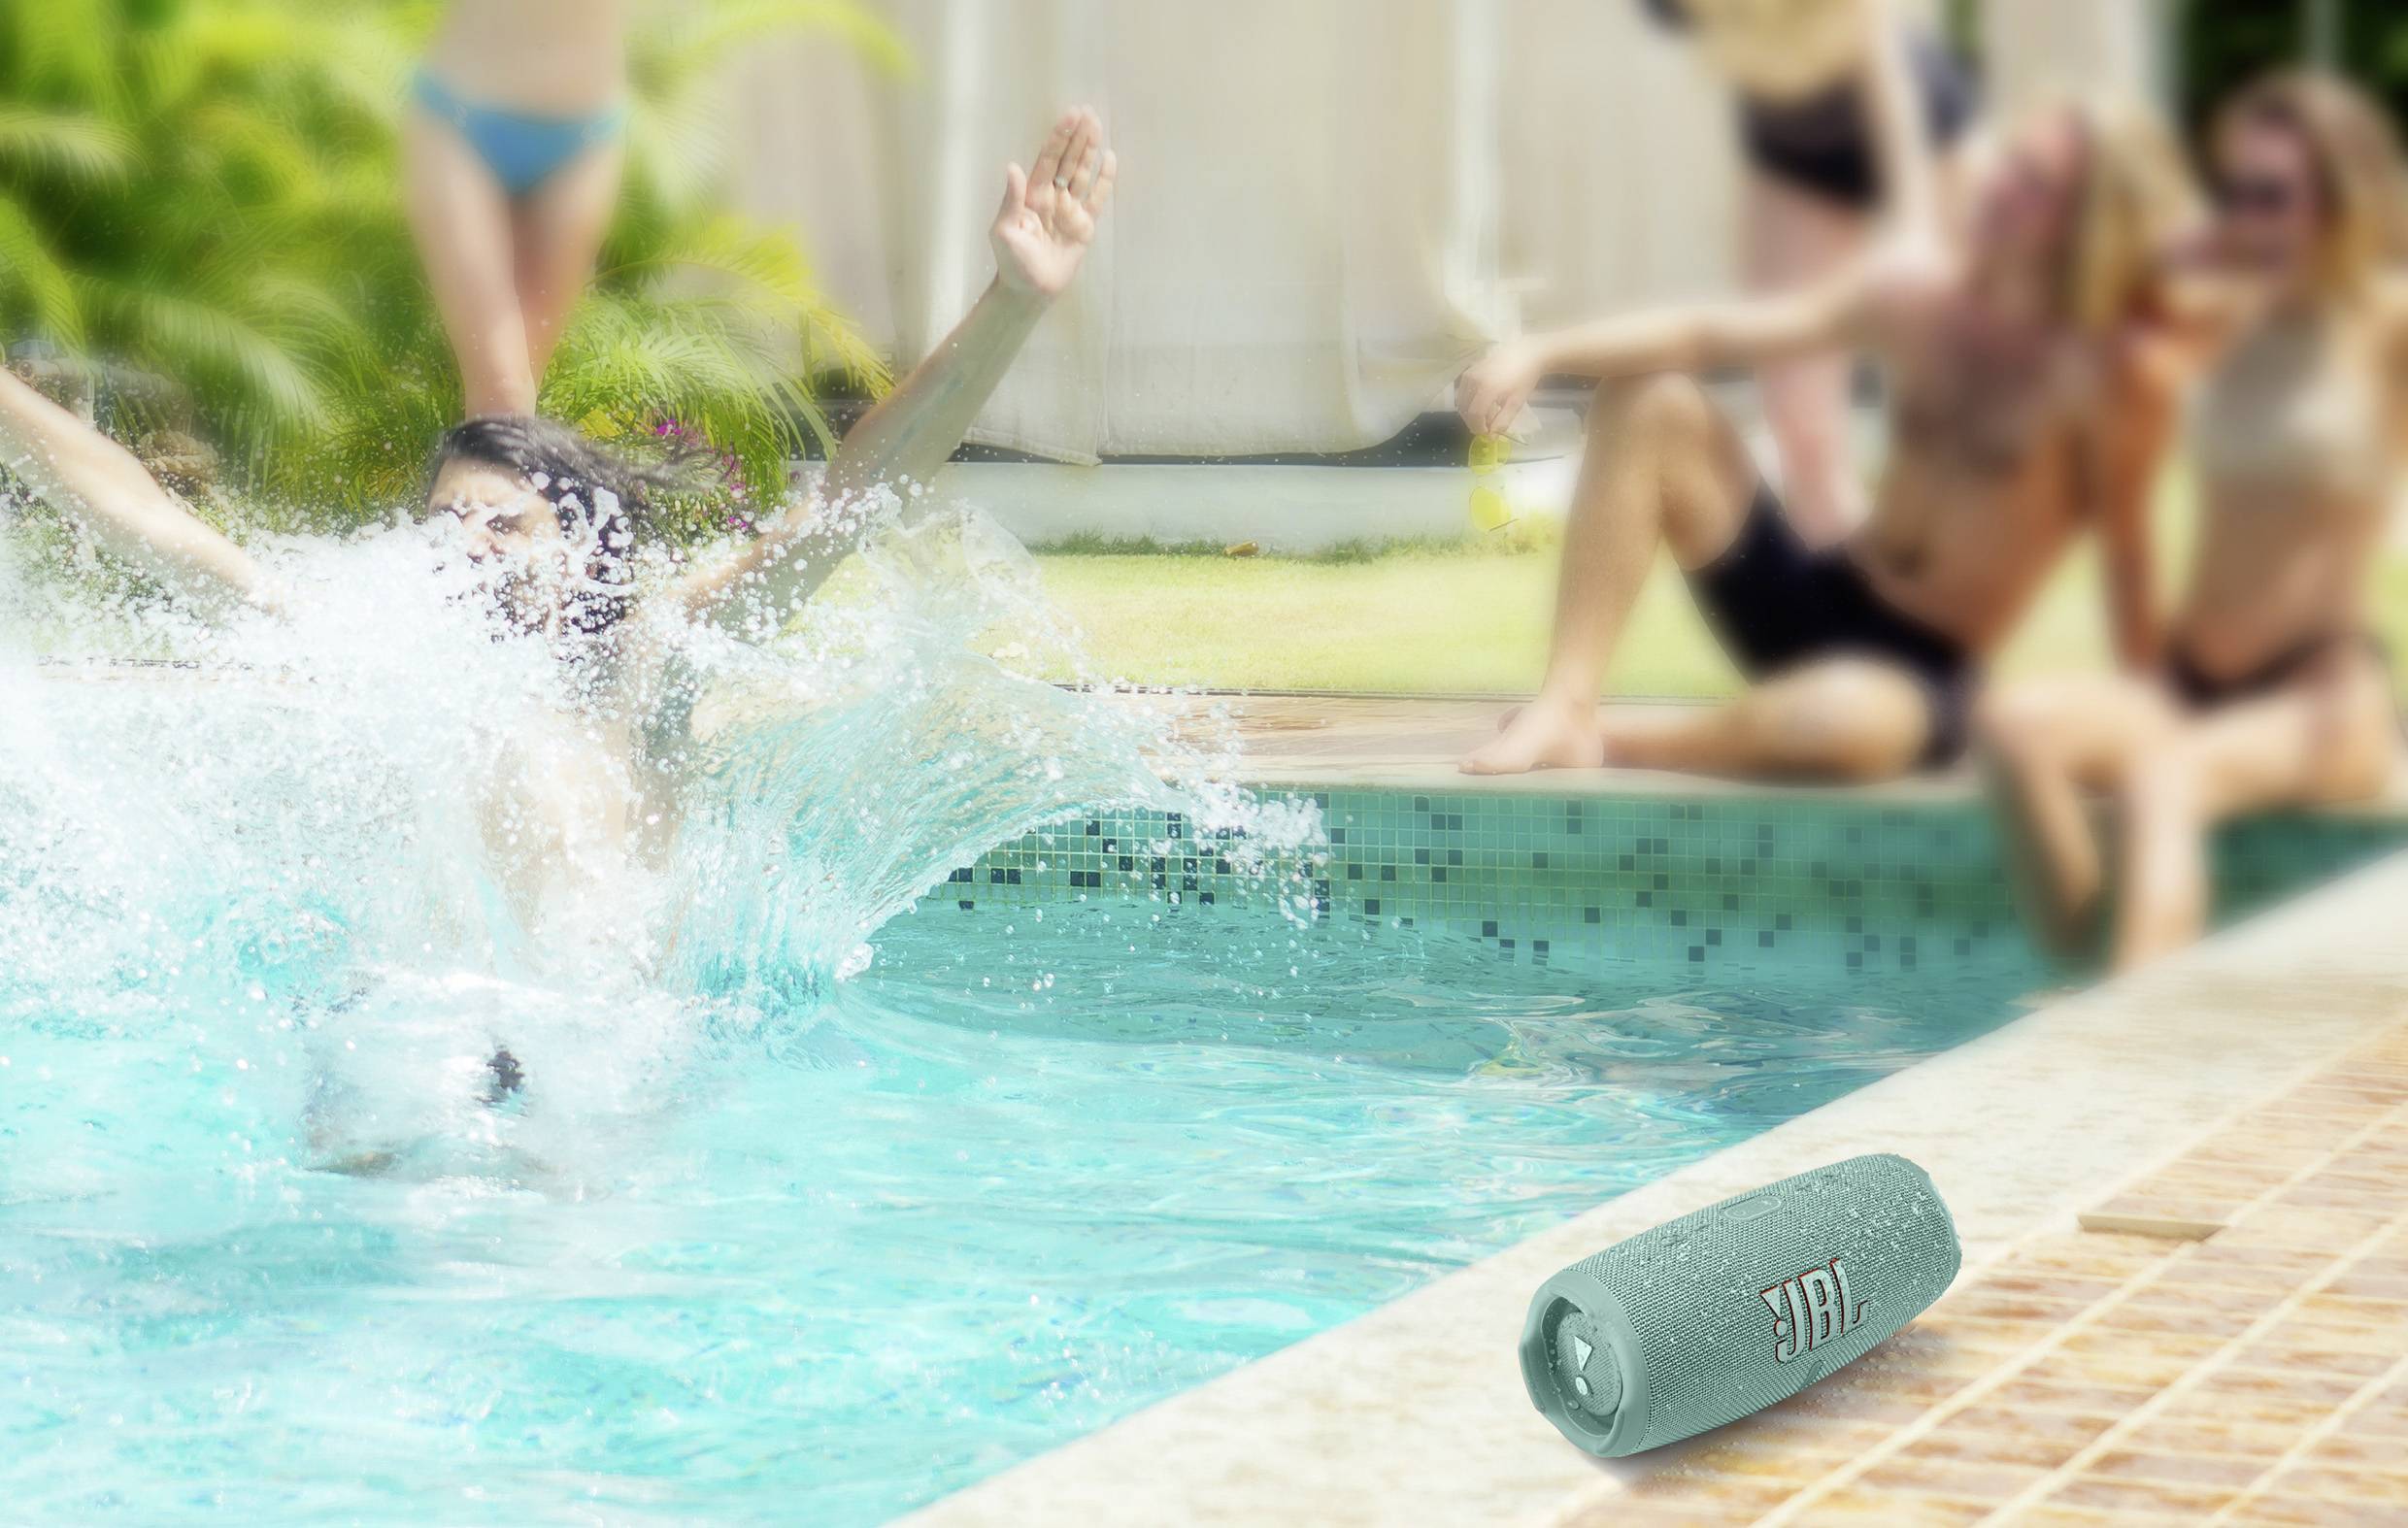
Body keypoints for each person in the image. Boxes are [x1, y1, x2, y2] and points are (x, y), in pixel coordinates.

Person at [1, 109, 1119, 938]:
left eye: (502, 527)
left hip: (604, 1063)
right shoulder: (389, 649)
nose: (467, 548)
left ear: (581, 543)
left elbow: (847, 504)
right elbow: (150, 521)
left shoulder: (654, 658)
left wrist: (1012, 303)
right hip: (424, 1039)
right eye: (447, 525)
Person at [1452, 98, 2195, 781]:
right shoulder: (1927, 296)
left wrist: (2146, 725)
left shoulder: (2111, 383)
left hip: (1920, 674)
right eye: (2011, 163)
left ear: (2088, 219)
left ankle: (1617, 741)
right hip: (1820, 595)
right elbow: (1707, 333)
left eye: (2032, 182)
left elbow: (2129, 558)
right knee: (1651, 399)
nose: (1999, 185)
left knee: (1836, 728)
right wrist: (1540, 351)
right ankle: (1566, 703)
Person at [1979, 73, 2406, 972]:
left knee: (2162, 780)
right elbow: (2105, 292)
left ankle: (2126, 1043)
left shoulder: (2386, 329)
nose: (2248, 219)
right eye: (2235, 192)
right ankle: (2078, 992)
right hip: (2187, 681)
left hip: (2320, 697)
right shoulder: (2219, 321)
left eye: (2273, 195)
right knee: (2014, 726)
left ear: (2338, 199)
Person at [1639, 0, 1977, 545]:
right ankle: (1840, 570)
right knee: (1802, 422)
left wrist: (1915, 225)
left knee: (1950, 382)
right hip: (1796, 152)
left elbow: (1878, 57)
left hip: (1918, 129)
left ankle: (1947, 557)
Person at [404, 0, 633, 419]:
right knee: (502, 390)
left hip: (584, 140)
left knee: (519, 395)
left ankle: (486, 457)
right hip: (462, 121)